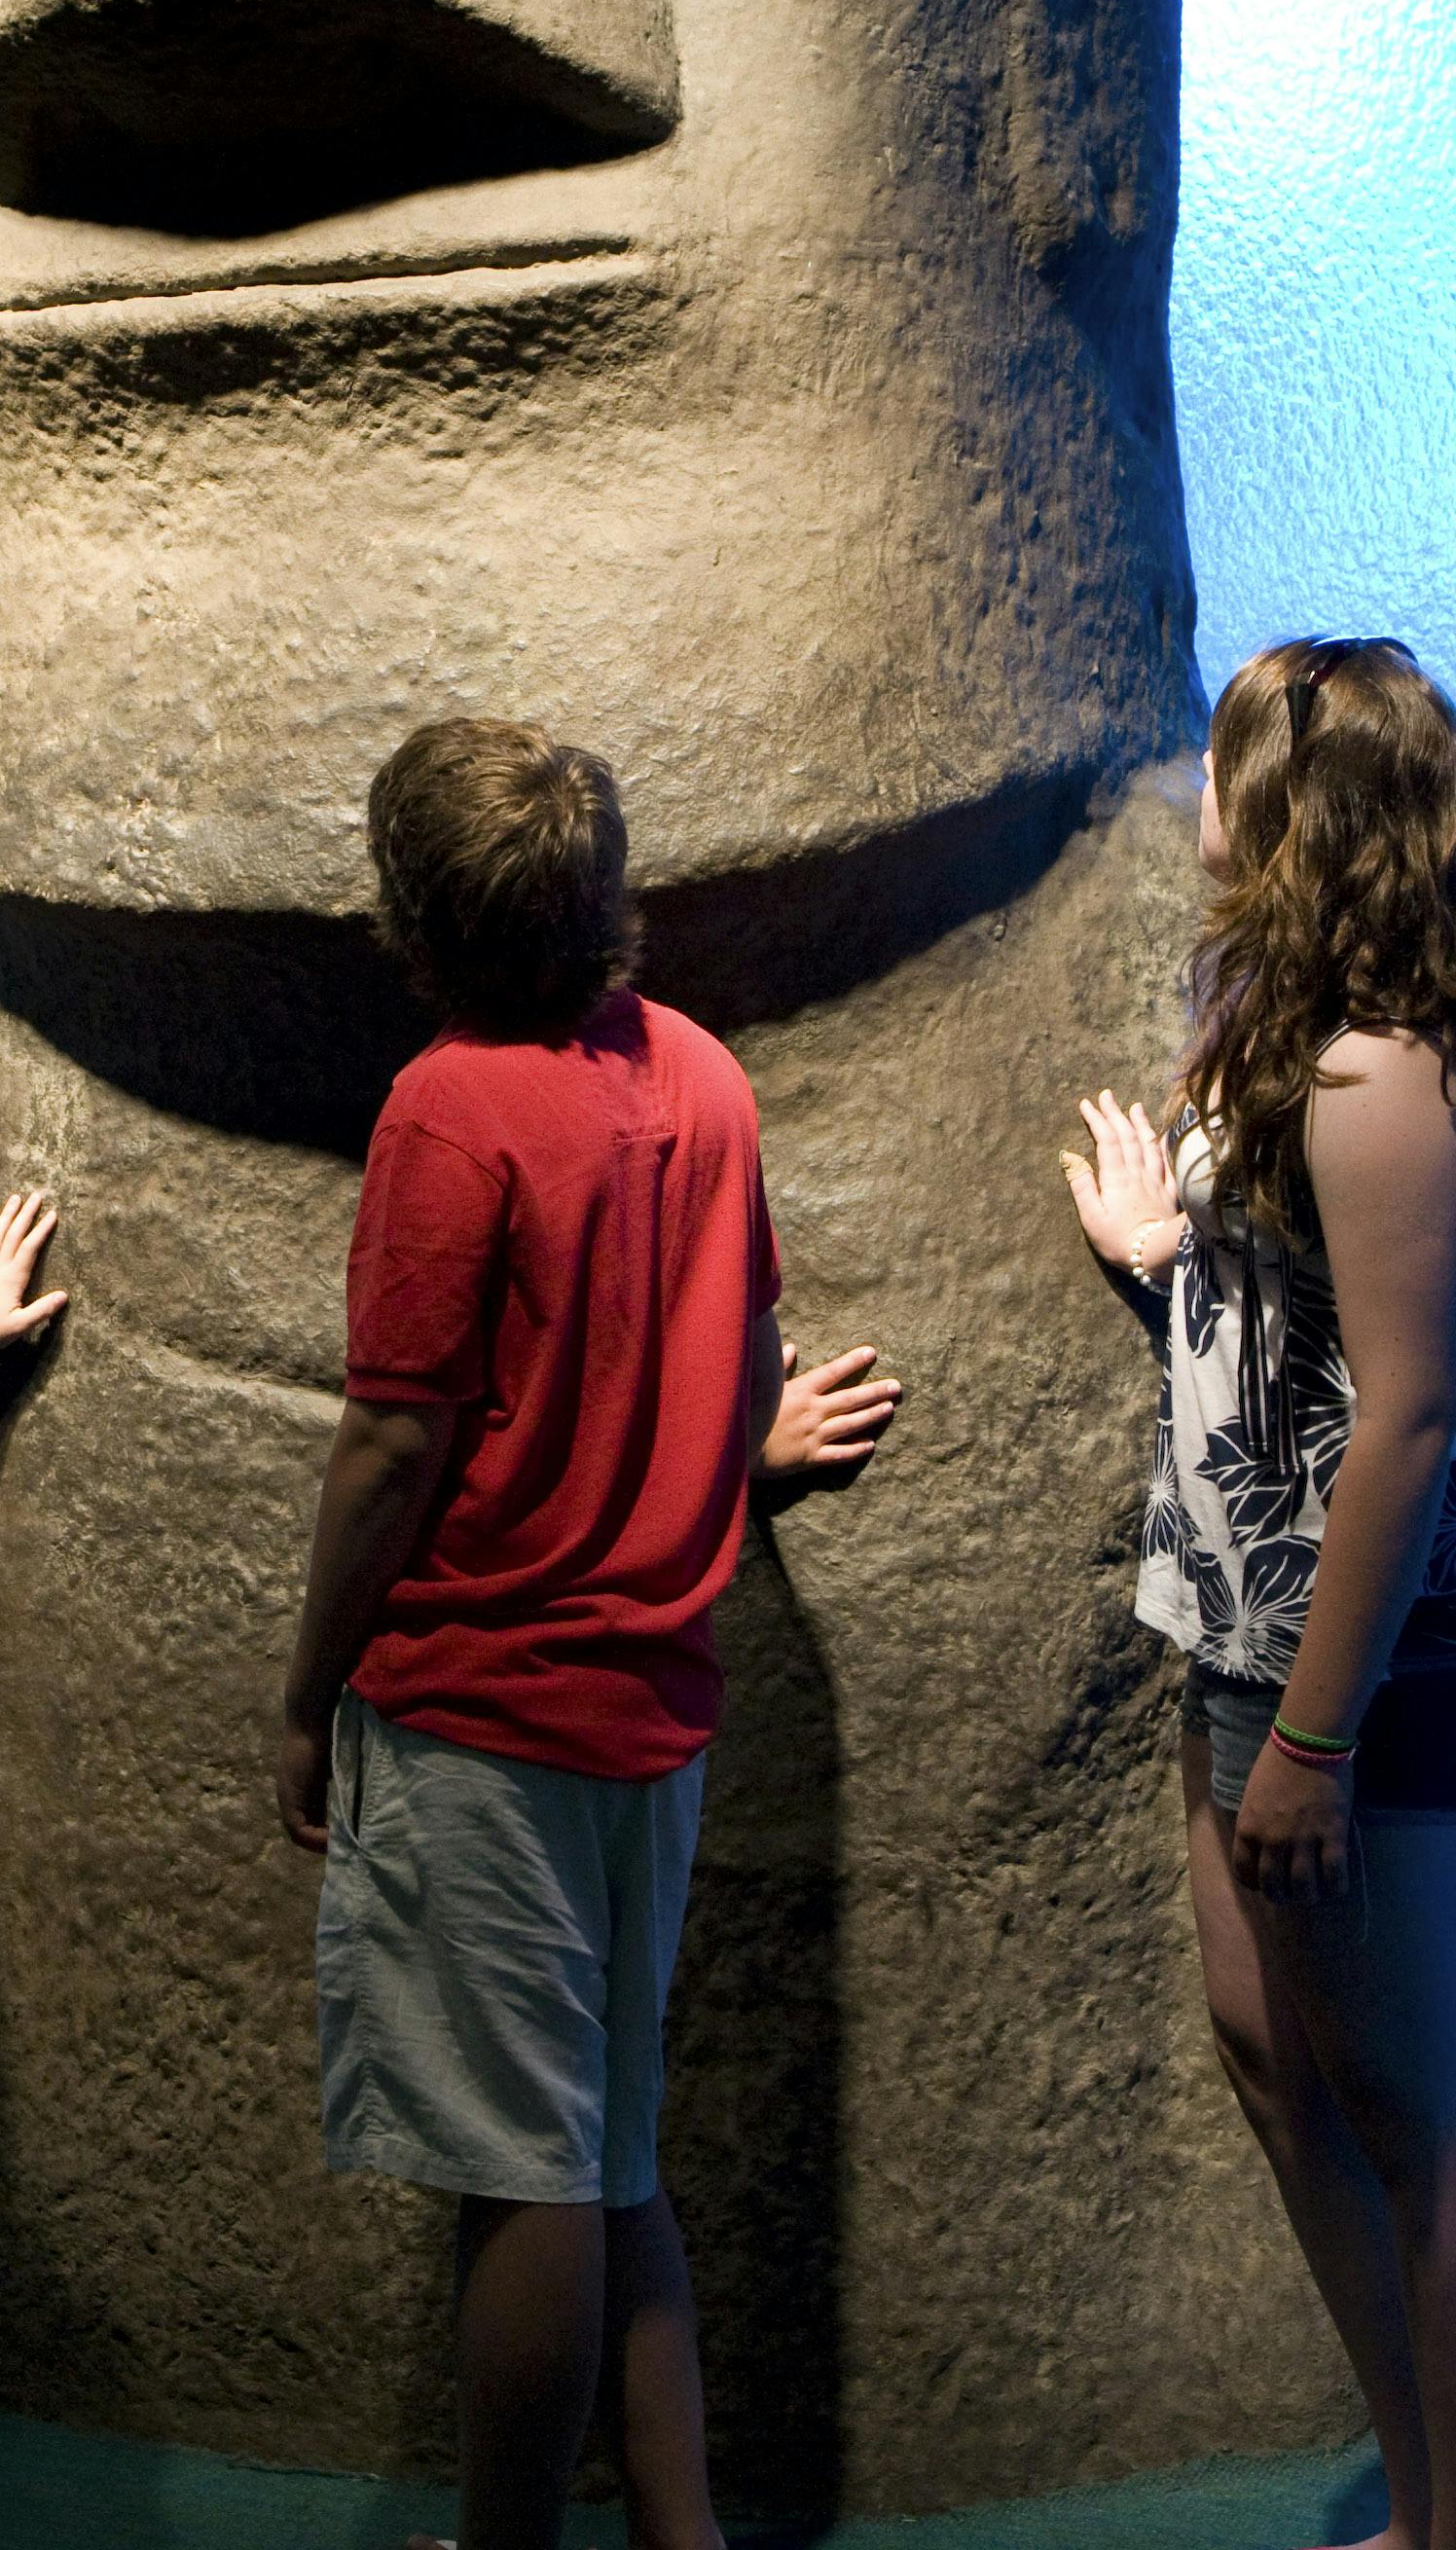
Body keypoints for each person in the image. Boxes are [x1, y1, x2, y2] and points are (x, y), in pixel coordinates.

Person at [273, 718, 879, 2550]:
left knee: (518, 2173)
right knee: (610, 2150)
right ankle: (677, 2528)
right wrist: (721, 1451)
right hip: (653, 1703)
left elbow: (396, 1439)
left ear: (414, 910)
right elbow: (731, 1333)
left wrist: (308, 1691)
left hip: (482, 1705)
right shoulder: (696, 1073)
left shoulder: (450, 1107)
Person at [1060, 634, 1456, 2550]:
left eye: (1219, 765)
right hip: (1258, 1637)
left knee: (1436, 2123)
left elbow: (1411, 1423)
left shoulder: (1380, 1076)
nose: (1194, 791)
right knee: (1284, 2057)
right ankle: (1429, 2491)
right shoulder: (1284, 1020)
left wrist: (1317, 1741)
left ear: (1286, 812)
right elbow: (1312, 1330)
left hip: (1377, 1668)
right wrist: (1170, 1256)